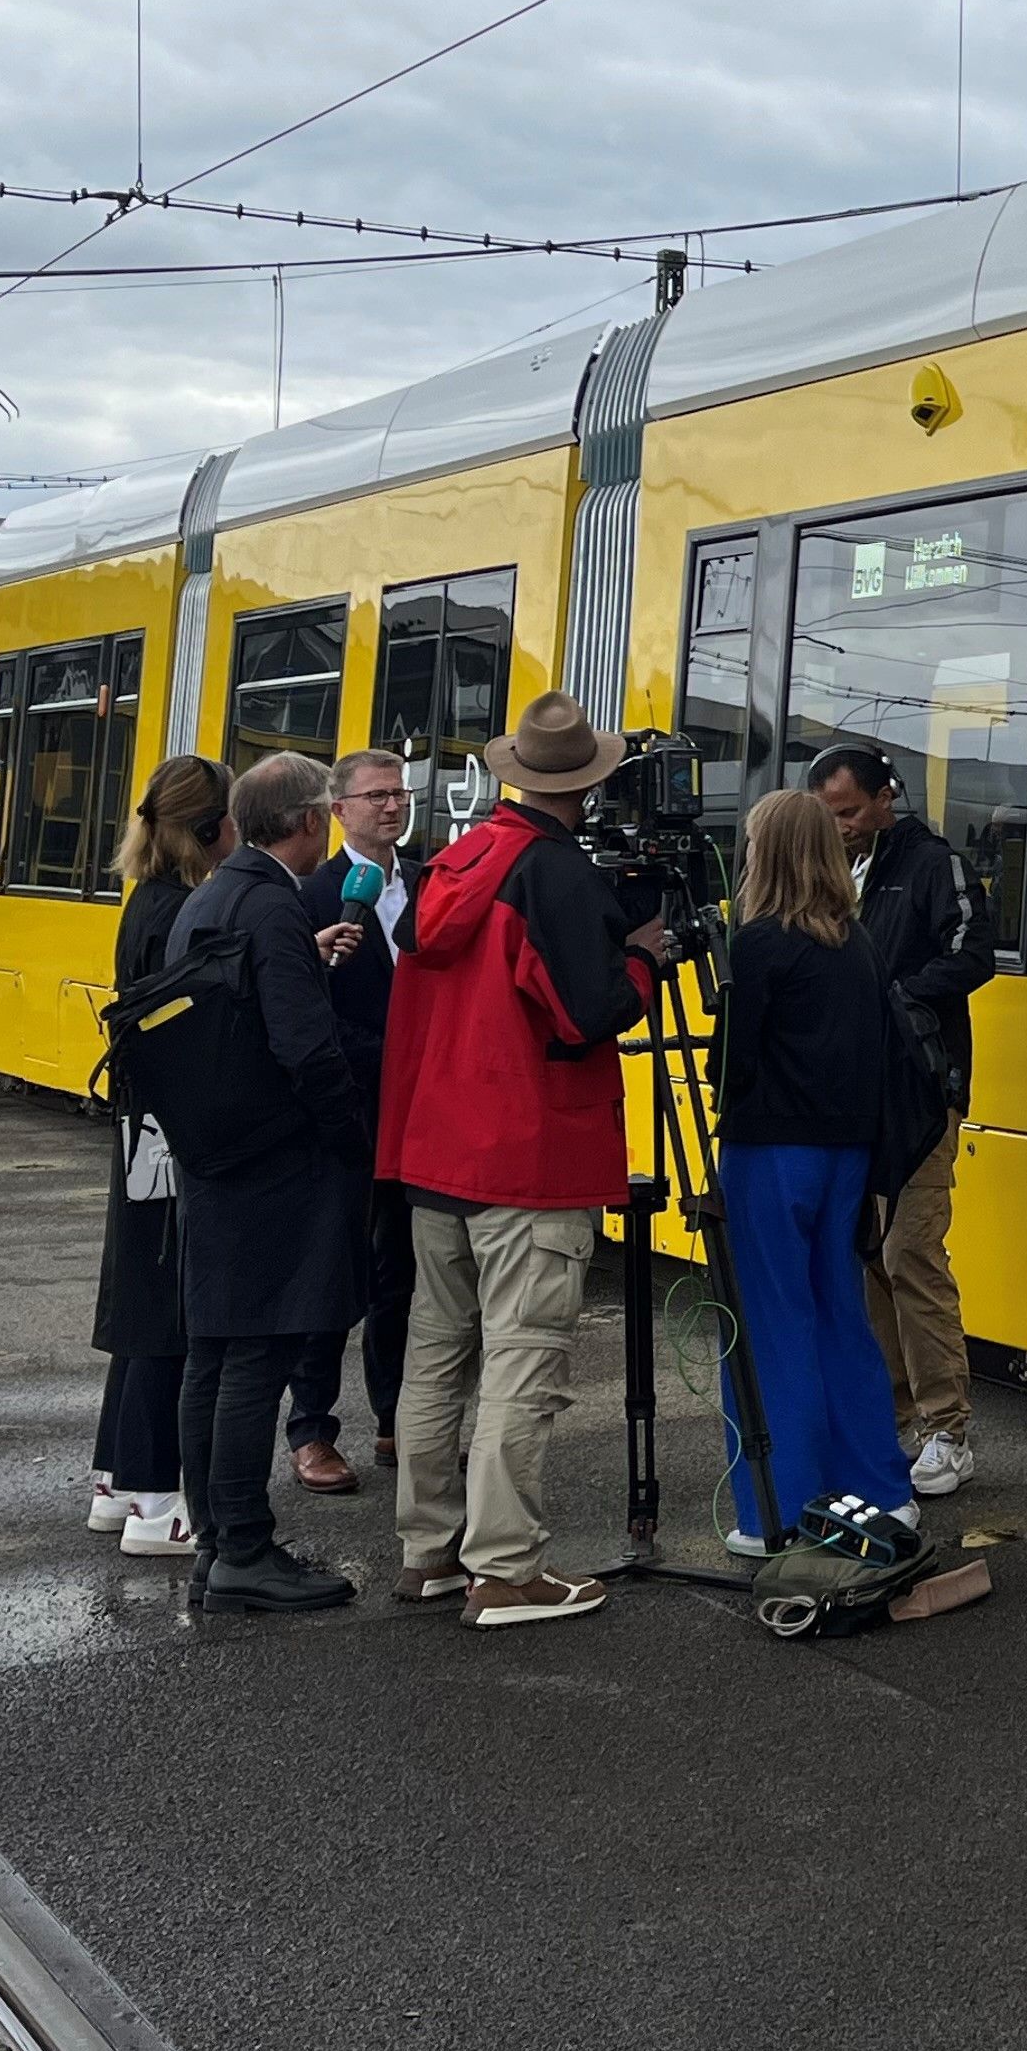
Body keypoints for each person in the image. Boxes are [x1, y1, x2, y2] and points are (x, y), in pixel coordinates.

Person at [372, 693, 665, 1631]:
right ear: (584, 786)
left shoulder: (452, 863)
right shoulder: (556, 877)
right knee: (521, 1366)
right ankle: (504, 1570)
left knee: (435, 1361)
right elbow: (583, 1016)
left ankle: (428, 1553)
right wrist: (647, 962)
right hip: (528, 1159)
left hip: (438, 1154)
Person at [162, 753, 368, 1616]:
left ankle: (217, 1540)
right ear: (309, 821)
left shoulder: (212, 896)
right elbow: (304, 1049)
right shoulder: (273, 907)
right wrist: (355, 1140)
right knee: (257, 1357)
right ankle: (244, 1545)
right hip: (276, 1168)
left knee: (211, 1357)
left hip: (215, 1161)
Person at [718, 786, 918, 1555]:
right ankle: (881, 1490)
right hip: (847, 1155)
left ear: (763, 853)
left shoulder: (759, 943)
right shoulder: (856, 942)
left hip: (772, 1154)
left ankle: (779, 1504)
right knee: (841, 1315)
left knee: (771, 1326)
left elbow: (732, 1063)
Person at [807, 743, 991, 1497]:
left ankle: (947, 1428)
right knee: (874, 1259)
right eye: (828, 816)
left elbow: (974, 952)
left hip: (919, 1092)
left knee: (912, 1253)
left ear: (888, 797)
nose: (840, 828)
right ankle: (902, 1419)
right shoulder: (831, 866)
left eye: (848, 812)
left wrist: (895, 999)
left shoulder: (930, 863)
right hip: (859, 1093)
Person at [94, 756, 228, 1561]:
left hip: (140, 1126)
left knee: (144, 1294)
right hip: (170, 1131)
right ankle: (155, 1495)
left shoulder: (146, 901)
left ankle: (117, 1474)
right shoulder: (186, 909)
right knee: (169, 1311)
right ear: (210, 829)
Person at [280, 747, 421, 1495]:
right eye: (376, 797)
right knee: (333, 1274)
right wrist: (399, 1051)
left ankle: (396, 1418)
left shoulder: (428, 883)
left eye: (400, 794)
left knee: (400, 1272)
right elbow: (314, 1018)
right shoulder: (314, 894)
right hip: (346, 1112)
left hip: (417, 1117)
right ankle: (311, 1428)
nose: (392, 808)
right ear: (338, 811)